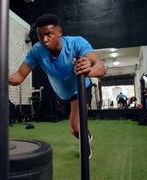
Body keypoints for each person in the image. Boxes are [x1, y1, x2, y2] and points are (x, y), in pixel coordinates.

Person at [8, 14, 106, 159]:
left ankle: (85, 147)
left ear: (59, 32)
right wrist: (1, 77)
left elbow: (101, 67)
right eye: (40, 35)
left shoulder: (77, 43)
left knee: (75, 127)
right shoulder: (37, 50)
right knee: (76, 131)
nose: (45, 40)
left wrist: (88, 70)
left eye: (49, 34)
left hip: (80, 89)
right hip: (61, 95)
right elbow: (19, 77)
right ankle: (85, 135)